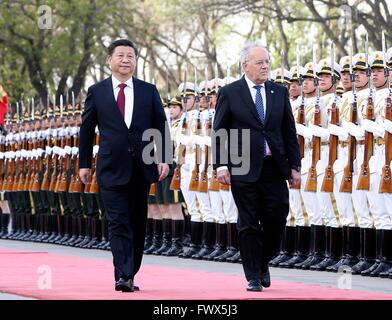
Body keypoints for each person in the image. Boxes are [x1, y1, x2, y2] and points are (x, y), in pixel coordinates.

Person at [79, 39, 170, 292]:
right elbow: (86, 130)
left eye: (130, 56)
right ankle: (124, 274)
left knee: (137, 221)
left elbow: (161, 126)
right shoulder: (97, 91)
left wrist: (164, 157)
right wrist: (84, 163)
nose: (126, 60)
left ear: (135, 61)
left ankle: (129, 270)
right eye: (120, 55)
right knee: (117, 221)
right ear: (110, 60)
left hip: (142, 166)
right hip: (110, 167)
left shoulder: (148, 90)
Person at [212, 42, 301, 292]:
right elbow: (219, 131)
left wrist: (295, 166)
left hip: (275, 166)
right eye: (260, 62)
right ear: (245, 65)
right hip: (242, 167)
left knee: (277, 217)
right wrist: (220, 165)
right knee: (248, 222)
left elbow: (288, 131)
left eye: (267, 62)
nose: (265, 66)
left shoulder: (278, 92)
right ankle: (252, 275)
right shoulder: (230, 92)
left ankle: (262, 261)